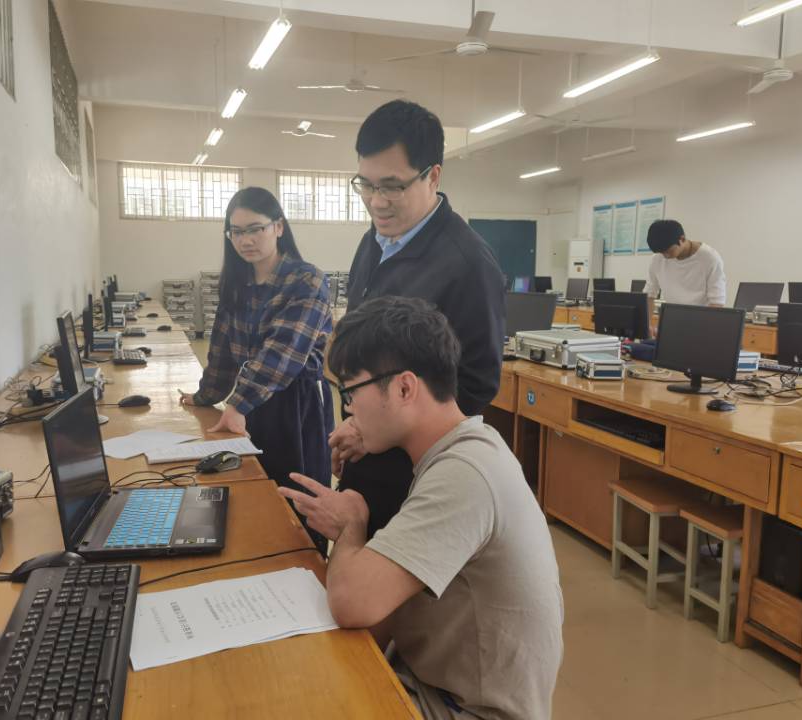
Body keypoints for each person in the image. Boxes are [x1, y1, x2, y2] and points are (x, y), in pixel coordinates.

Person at [280, 296, 563, 720]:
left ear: (404, 388)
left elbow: (353, 602)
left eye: (350, 392)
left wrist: (350, 526)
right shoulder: (457, 450)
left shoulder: (464, 473)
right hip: (432, 679)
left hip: (465, 708)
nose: (348, 410)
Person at [330, 99, 506, 539]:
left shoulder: (468, 264)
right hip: (364, 453)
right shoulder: (373, 242)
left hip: (415, 478)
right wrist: (357, 423)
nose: (376, 202)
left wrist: (376, 431)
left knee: (387, 578)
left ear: (433, 176)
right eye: (366, 185)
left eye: (392, 186)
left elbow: (477, 382)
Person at [182, 186, 333, 553]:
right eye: (236, 231)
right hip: (252, 403)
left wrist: (237, 403)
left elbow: (282, 353)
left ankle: (307, 564)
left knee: (296, 497)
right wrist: (205, 396)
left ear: (278, 227)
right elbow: (221, 349)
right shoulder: (237, 283)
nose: (245, 240)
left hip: (296, 405)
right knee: (253, 491)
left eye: (255, 229)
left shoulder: (307, 280)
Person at [643, 219, 726, 307]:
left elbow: (717, 302)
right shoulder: (657, 258)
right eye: (661, 253)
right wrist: (648, 316)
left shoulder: (709, 258)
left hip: (701, 314)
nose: (665, 256)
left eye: (668, 251)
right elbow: (649, 294)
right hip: (671, 313)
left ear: (682, 239)